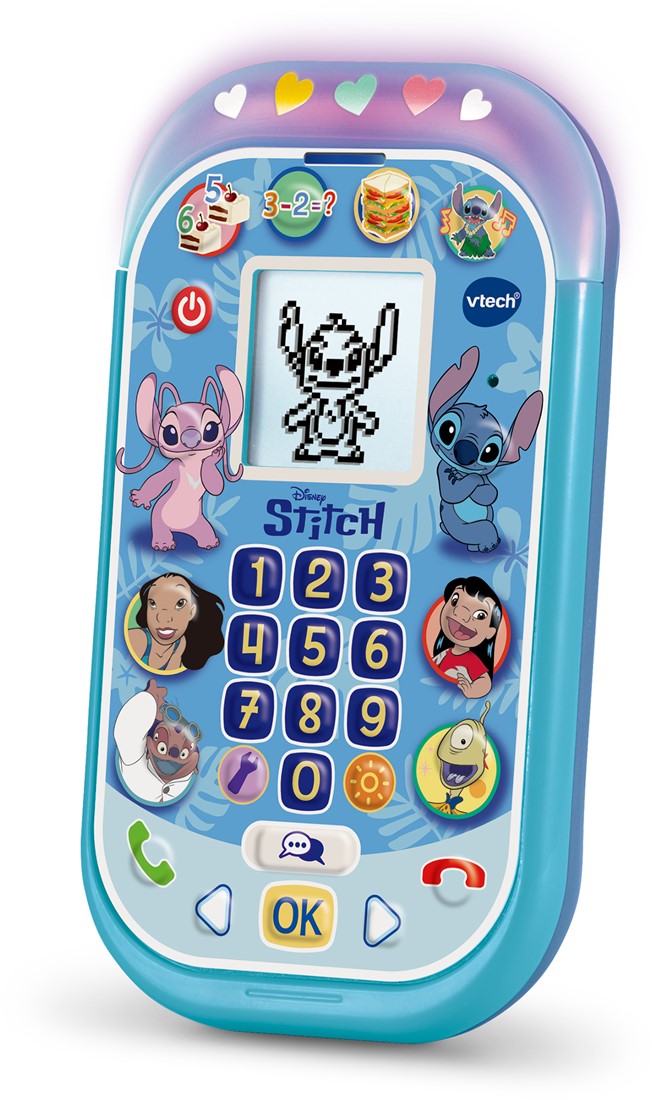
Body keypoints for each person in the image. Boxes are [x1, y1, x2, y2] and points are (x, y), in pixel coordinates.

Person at [128, 573, 224, 672]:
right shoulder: (137, 639)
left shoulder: (181, 644)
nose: (163, 618)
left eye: (180, 604)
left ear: (192, 611)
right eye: (152, 603)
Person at [431, 576, 503, 699]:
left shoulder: (471, 661)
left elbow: (485, 682)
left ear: (490, 632)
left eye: (480, 615)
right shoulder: (443, 654)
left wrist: (472, 691)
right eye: (455, 600)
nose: (461, 614)